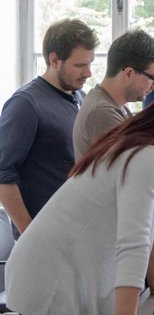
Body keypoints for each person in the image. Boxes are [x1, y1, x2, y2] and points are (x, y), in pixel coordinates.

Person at [5, 81, 154, 315]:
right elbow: (134, 240)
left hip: (49, 268)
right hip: (46, 276)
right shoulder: (146, 156)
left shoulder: (150, 150)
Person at [0, 19, 98, 239]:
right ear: (54, 60)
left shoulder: (80, 98)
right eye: (80, 65)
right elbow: (3, 175)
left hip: (79, 231)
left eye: (90, 63)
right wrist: (30, 235)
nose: (88, 72)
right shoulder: (25, 104)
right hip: (45, 238)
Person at [73, 29, 154, 159]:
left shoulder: (113, 105)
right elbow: (135, 166)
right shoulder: (102, 112)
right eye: (153, 78)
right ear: (128, 73)